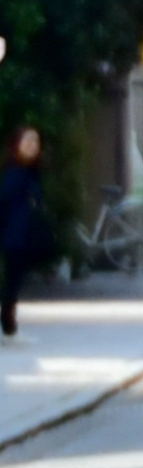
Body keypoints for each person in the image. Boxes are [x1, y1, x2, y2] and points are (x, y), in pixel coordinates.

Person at [0, 126, 36, 338]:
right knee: (12, 281)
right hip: (14, 234)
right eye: (28, 142)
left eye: (35, 142)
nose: (33, 147)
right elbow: (5, 202)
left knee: (15, 280)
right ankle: (8, 326)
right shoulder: (15, 172)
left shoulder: (30, 171)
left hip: (22, 233)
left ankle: (9, 324)